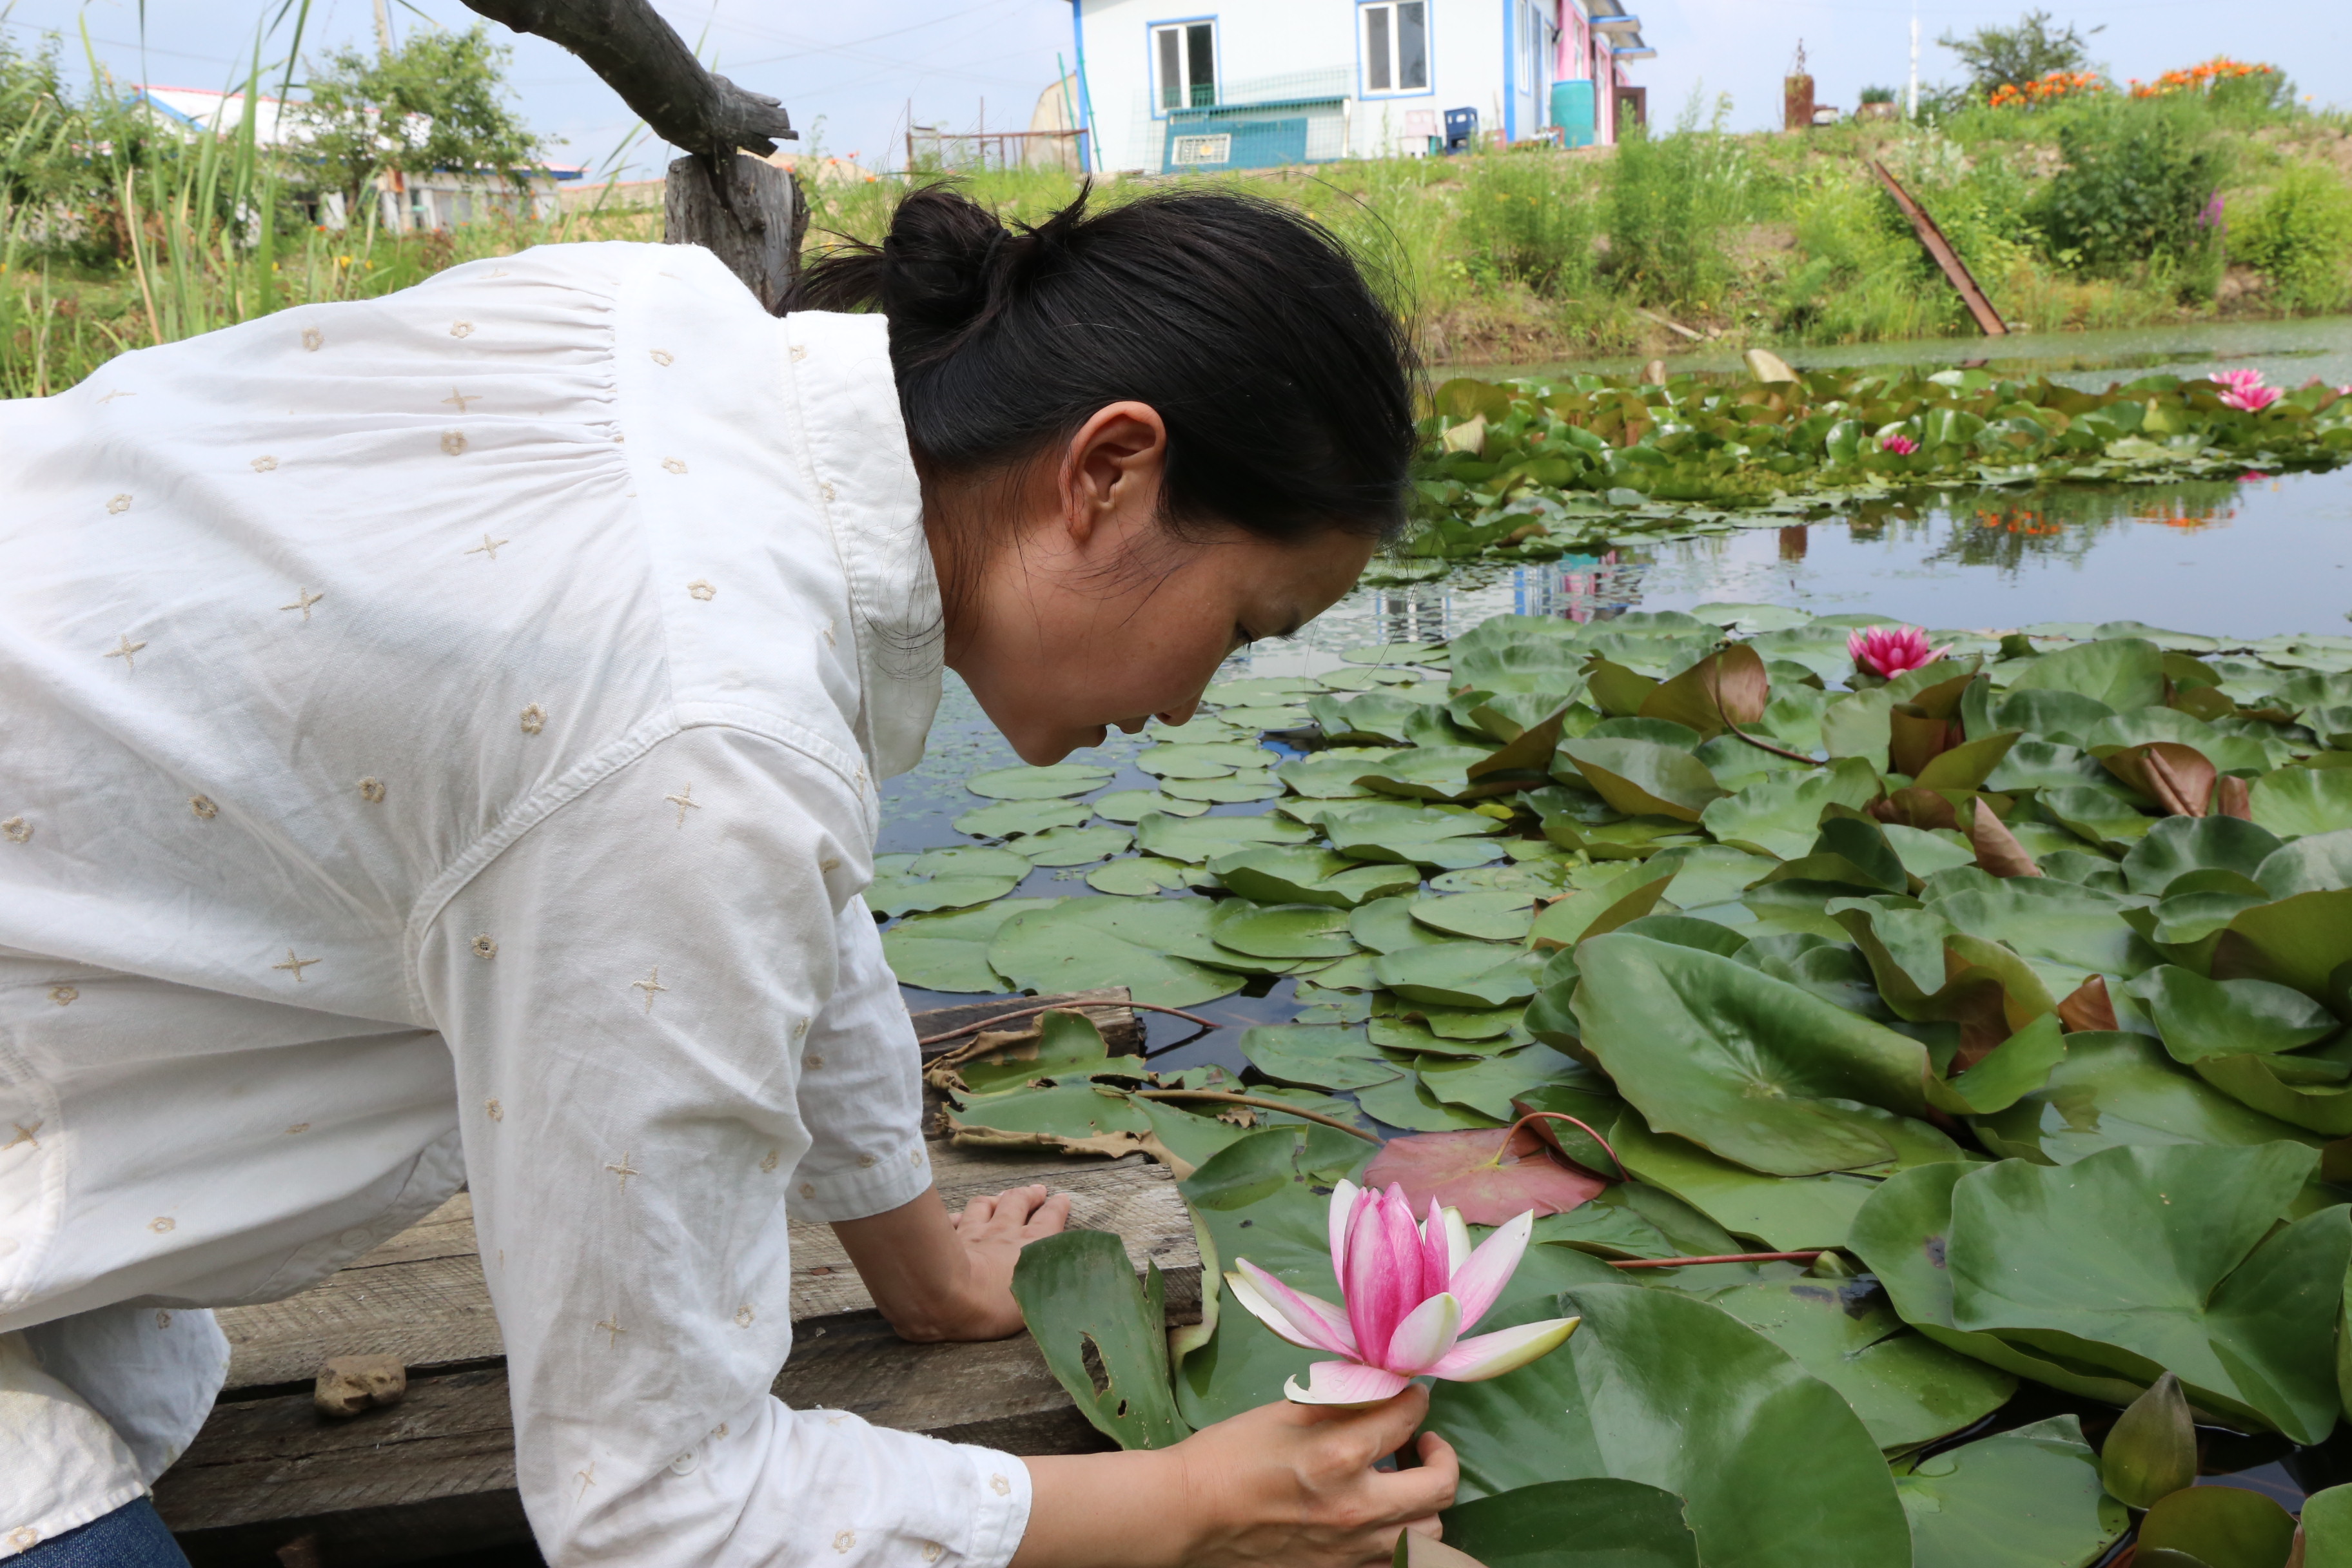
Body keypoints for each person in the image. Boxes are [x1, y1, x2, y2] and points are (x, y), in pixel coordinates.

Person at [0, 183, 1456, 1567]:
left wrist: (924, 1270)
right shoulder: (702, 730)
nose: (1196, 703)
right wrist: (1187, 1507)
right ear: (1108, 471)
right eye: (1244, 628)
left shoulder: (673, 337)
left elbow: (776, 876)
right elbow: (654, 1508)